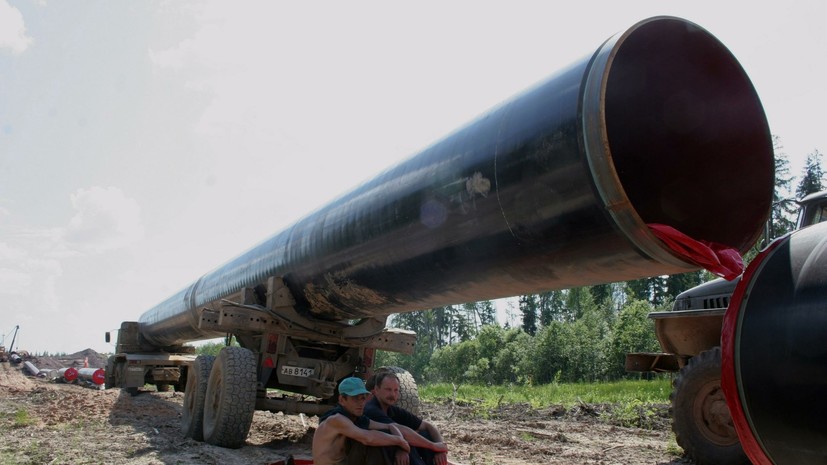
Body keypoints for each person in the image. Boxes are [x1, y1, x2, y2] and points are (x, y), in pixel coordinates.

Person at [313, 377, 411, 465]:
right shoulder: (336, 419)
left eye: (363, 398)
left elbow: (390, 426)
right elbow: (368, 439)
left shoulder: (356, 418)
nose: (361, 403)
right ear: (342, 399)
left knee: (382, 436)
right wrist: (399, 441)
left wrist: (402, 448)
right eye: (355, 399)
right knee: (367, 443)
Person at [365, 371, 452, 465]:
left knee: (424, 434)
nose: (393, 394)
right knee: (410, 441)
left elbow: (427, 426)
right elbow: (401, 431)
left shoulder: (392, 410)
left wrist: (440, 449)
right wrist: (433, 446)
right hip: (374, 456)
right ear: (376, 390)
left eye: (396, 390)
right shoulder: (371, 409)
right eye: (388, 389)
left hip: (394, 448)